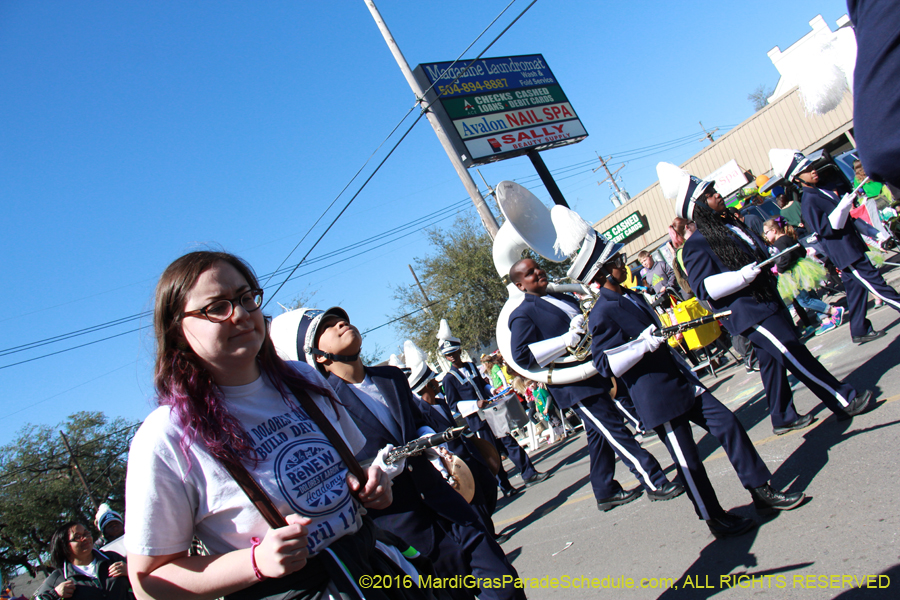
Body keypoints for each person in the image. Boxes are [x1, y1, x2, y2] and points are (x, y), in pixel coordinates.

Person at [125, 251, 421, 600]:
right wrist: (255, 562)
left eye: (246, 297)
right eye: (217, 307)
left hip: (378, 576)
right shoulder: (168, 434)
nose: (240, 315)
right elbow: (148, 581)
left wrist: (374, 488)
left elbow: (358, 472)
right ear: (177, 330)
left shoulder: (304, 379)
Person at [284, 307, 524, 600]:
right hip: (404, 529)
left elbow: (420, 419)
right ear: (319, 356)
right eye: (328, 327)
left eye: (341, 319)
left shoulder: (391, 377)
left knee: (505, 587)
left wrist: (427, 439)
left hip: (449, 504)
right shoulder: (324, 405)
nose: (341, 324)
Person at [575, 248, 805, 538]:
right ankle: (714, 518)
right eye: (617, 263)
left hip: (680, 379)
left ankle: (761, 490)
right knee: (688, 461)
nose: (624, 265)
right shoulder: (602, 311)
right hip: (657, 395)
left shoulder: (631, 295)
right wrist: (642, 345)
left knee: (728, 424)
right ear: (602, 272)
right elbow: (604, 363)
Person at [657, 162, 874, 436]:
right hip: (750, 313)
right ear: (699, 206)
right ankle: (843, 398)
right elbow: (704, 288)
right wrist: (741, 277)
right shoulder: (697, 244)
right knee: (794, 353)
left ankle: (782, 416)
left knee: (772, 362)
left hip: (766, 301)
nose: (717, 195)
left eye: (714, 190)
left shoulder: (729, 226)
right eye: (710, 194)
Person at [507, 257, 685, 511]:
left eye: (537, 267)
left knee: (598, 437)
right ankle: (654, 481)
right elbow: (521, 356)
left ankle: (604, 490)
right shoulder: (522, 313)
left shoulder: (564, 298)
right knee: (617, 432)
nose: (538, 272)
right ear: (520, 285)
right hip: (576, 387)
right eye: (529, 273)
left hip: (596, 373)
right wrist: (565, 340)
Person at [770, 149, 900, 344]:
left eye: (811, 166)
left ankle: (858, 329)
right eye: (806, 169)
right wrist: (840, 210)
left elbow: (849, 220)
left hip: (852, 248)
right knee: (877, 284)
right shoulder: (808, 200)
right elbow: (824, 230)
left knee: (856, 291)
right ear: (797, 178)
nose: (813, 170)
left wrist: (874, 234)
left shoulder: (822, 189)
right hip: (846, 253)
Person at [437, 321, 545, 492]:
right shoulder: (448, 379)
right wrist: (475, 404)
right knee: (491, 453)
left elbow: (482, 385)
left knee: (510, 442)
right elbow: (453, 405)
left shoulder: (472, 366)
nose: (452, 357)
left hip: (492, 413)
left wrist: (492, 389)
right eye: (448, 355)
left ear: (459, 350)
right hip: (477, 420)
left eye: (454, 352)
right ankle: (505, 486)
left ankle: (529, 473)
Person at [762, 216, 844, 336]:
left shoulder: (780, 242)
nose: (766, 236)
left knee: (804, 301)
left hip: (794, 273)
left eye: (766, 232)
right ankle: (825, 319)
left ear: (774, 230)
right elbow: (803, 251)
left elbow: (786, 257)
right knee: (811, 296)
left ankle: (834, 310)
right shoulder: (788, 238)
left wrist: (780, 269)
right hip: (802, 268)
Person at [34, 522, 132, 600]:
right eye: (77, 537)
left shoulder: (112, 558)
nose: (85, 538)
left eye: (86, 533)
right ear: (64, 546)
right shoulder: (59, 578)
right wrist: (55, 594)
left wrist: (130, 572)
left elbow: (144, 577)